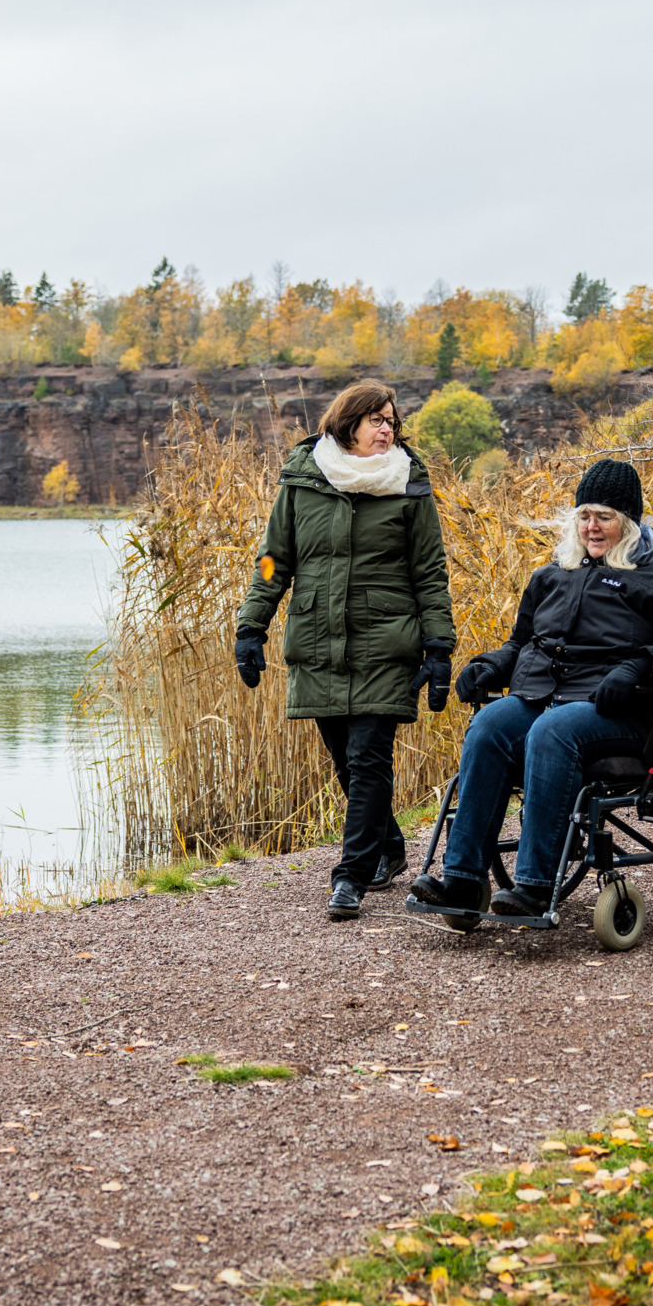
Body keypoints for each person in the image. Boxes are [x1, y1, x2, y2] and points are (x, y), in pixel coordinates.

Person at [406, 459, 653, 921]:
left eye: (604, 517)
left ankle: (534, 885)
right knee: (489, 725)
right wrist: (491, 665)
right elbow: (521, 644)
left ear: (629, 522)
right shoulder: (553, 575)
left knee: (552, 731)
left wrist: (639, 666)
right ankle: (463, 881)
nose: (591, 527)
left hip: (623, 711)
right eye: (584, 516)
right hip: (545, 696)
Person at [236, 381, 456, 922]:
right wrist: (251, 626)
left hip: (387, 640)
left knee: (368, 759)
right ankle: (389, 847)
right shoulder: (303, 478)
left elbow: (429, 570)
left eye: (391, 422)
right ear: (348, 422)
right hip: (318, 640)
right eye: (376, 420)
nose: (387, 430)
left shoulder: (409, 484)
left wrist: (439, 645)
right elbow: (272, 559)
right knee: (345, 761)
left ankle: (349, 877)